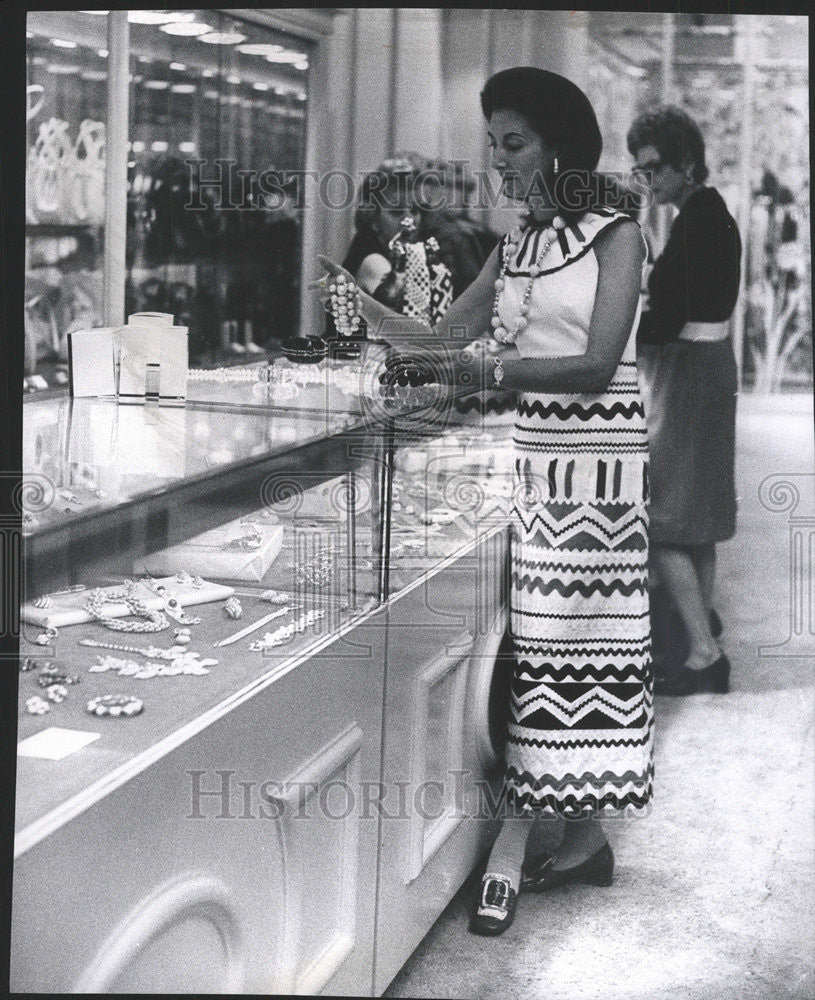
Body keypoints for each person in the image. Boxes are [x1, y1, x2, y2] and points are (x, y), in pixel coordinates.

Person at [315, 67, 653, 936]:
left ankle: (569, 836)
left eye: (514, 143)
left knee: (575, 650)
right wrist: (363, 310)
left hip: (598, 472)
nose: (498, 161)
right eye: (493, 143)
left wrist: (479, 373)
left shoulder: (617, 233)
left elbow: (594, 362)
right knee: (541, 653)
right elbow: (441, 341)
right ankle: (575, 838)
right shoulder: (517, 244)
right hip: (534, 460)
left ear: (560, 146)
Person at [627, 107, 741, 696]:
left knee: (666, 520)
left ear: (685, 164)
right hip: (708, 367)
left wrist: (624, 325)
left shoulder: (696, 222)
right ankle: (705, 633)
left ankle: (702, 650)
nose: (647, 181)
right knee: (695, 520)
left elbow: (666, 316)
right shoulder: (709, 214)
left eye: (653, 169)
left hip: (687, 372)